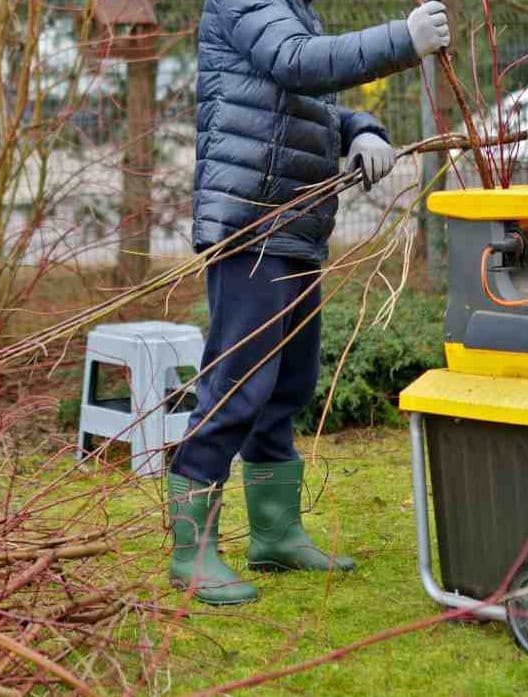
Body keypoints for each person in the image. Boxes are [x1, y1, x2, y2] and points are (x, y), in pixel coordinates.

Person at [168, 0, 451, 605]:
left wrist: (362, 129)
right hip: (251, 223)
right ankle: (192, 550)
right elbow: (298, 64)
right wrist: (403, 40)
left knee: (286, 385)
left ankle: (275, 534)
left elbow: (304, 102)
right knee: (237, 386)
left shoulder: (292, 8)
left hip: (294, 225)